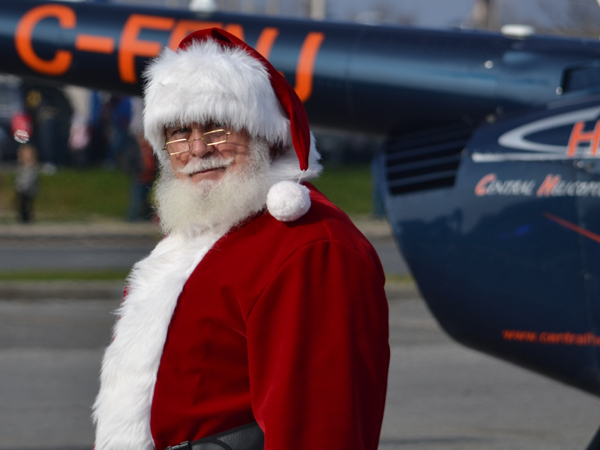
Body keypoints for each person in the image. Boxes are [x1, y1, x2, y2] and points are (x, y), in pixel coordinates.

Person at [92, 28, 389, 450]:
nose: (197, 148)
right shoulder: (197, 240)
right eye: (177, 132)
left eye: (217, 127)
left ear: (266, 132)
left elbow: (320, 428)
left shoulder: (307, 247)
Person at [14, 144, 39, 223]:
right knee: (22, 204)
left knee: (26, 204)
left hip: (28, 189)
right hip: (22, 188)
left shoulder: (31, 167)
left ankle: (26, 218)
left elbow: (31, 179)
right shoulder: (23, 167)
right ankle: (23, 217)